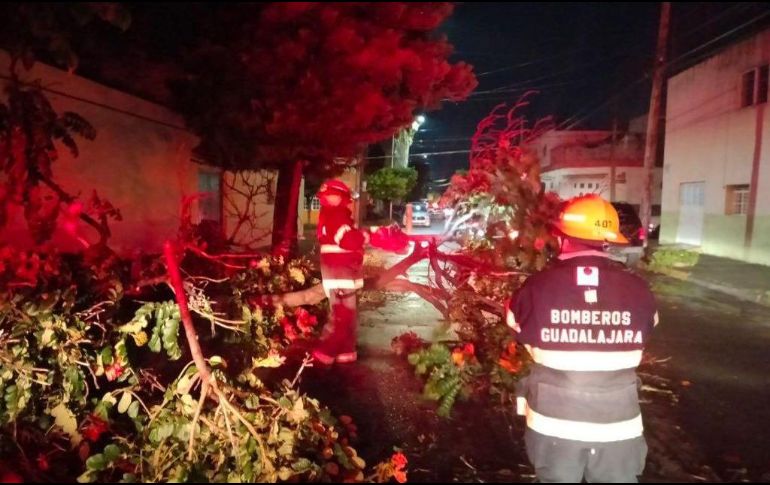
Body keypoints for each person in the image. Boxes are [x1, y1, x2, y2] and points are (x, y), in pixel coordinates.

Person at [507, 194, 659, 483]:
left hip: (554, 430)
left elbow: (515, 323)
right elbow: (649, 326)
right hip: (619, 429)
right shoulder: (638, 288)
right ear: (607, 240)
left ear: (562, 237)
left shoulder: (537, 287)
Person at [312, 179, 368, 365]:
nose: (330, 198)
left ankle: (346, 351)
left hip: (338, 276)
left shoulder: (328, 216)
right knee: (342, 318)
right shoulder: (337, 216)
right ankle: (325, 352)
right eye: (329, 195)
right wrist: (367, 237)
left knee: (345, 316)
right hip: (342, 275)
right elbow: (348, 240)